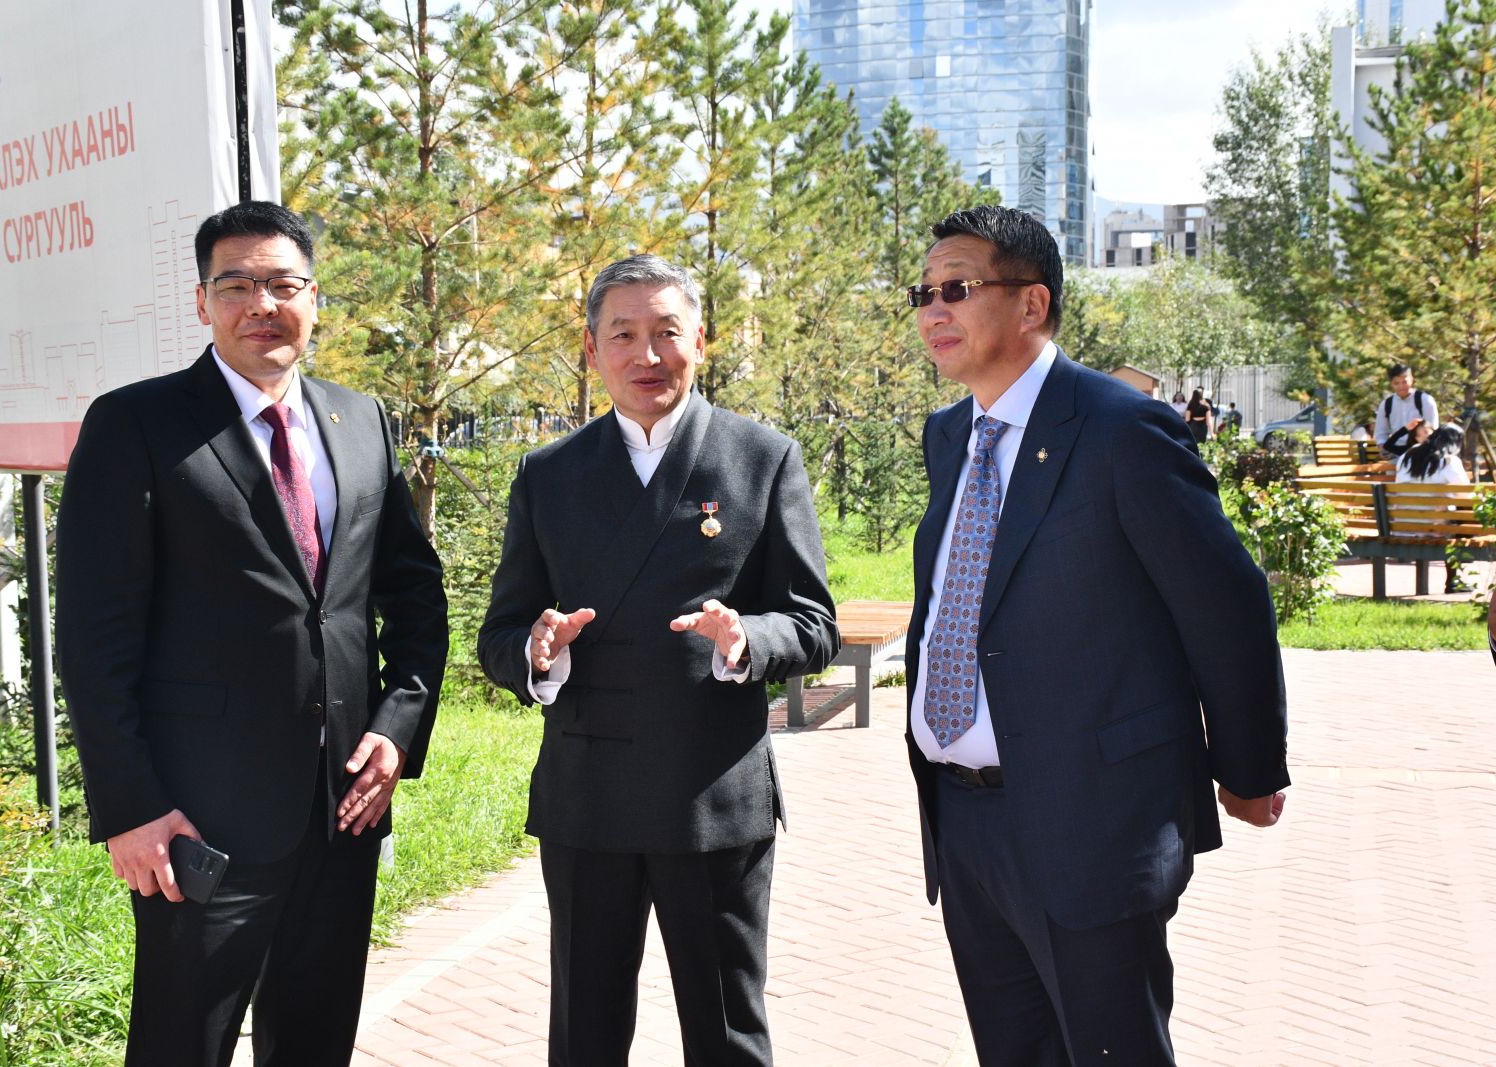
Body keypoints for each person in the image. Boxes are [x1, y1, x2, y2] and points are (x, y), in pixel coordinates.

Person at [56, 200, 449, 1067]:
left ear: (314, 297)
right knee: (179, 1046)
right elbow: (93, 638)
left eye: (282, 284)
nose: (260, 304)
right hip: (198, 822)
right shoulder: (137, 425)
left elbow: (416, 599)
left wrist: (395, 728)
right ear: (202, 302)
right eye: (235, 285)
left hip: (343, 811)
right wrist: (130, 807)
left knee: (315, 1043)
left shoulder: (360, 421)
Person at [902, 204, 1289, 1066]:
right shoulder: (949, 434)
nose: (933, 310)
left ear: (1031, 303)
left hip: (1092, 822)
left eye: (957, 288)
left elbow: (1225, 601)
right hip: (964, 824)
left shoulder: (1120, 428)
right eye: (923, 293)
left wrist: (1250, 766)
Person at [478, 254, 838, 1066]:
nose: (647, 355)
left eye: (667, 332)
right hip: (588, 798)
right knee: (585, 1033)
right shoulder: (549, 474)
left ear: (699, 341)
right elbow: (498, 634)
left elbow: (813, 623)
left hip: (712, 794)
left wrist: (746, 640)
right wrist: (534, 651)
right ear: (591, 348)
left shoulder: (761, 458)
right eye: (623, 335)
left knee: (727, 1034)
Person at [1396, 423, 1472, 593]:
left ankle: (1454, 580)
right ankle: (1453, 580)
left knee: (1451, 516)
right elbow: (1465, 495)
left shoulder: (1408, 455)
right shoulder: (1449, 460)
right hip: (1434, 527)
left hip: (1403, 524)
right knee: (1463, 518)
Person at [1374, 363, 1439, 456]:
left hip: (1421, 452)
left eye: (1404, 382)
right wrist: (1383, 449)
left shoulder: (1425, 400)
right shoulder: (1386, 404)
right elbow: (1381, 433)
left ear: (1411, 380)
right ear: (1391, 384)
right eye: (1396, 383)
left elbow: (1433, 429)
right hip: (1395, 453)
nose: (1401, 387)